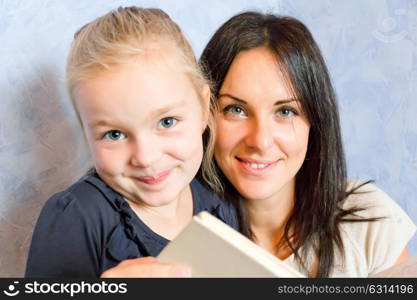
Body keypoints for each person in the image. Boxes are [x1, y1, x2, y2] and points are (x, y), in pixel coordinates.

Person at [198, 11, 416, 277]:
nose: (260, 141)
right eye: (236, 110)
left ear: (315, 121)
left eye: (285, 112)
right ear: (202, 115)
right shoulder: (172, 229)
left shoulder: (369, 223)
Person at [25, 7, 237, 278]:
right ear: (86, 133)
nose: (146, 158)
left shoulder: (220, 209)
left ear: (204, 108)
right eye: (115, 134)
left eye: (167, 122)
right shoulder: (79, 217)